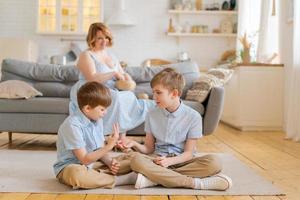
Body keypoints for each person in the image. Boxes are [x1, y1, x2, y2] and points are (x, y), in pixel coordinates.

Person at [123, 68, 233, 190]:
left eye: (158, 93)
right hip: (157, 160)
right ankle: (195, 183)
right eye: (153, 92)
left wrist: (170, 162)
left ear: (174, 93)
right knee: (136, 160)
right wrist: (133, 144)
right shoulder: (151, 114)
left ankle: (153, 179)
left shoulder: (193, 117)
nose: (153, 97)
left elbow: (188, 154)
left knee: (215, 162)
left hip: (182, 161)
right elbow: (149, 148)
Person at [69, 22, 155, 141]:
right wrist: (114, 73)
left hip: (109, 88)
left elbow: (122, 72)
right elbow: (92, 78)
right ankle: (110, 136)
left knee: (128, 96)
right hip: (90, 88)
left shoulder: (111, 55)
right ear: (92, 38)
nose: (104, 41)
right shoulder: (86, 55)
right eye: (100, 38)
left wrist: (127, 79)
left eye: (106, 38)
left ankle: (121, 136)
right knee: (116, 97)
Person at [53, 82, 137, 189]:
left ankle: (100, 176)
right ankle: (125, 179)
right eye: (102, 109)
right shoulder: (72, 125)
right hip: (70, 168)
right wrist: (109, 147)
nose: (105, 113)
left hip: (92, 165)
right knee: (77, 174)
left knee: (131, 159)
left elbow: (99, 150)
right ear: (87, 108)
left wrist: (110, 162)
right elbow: (84, 159)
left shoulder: (97, 120)